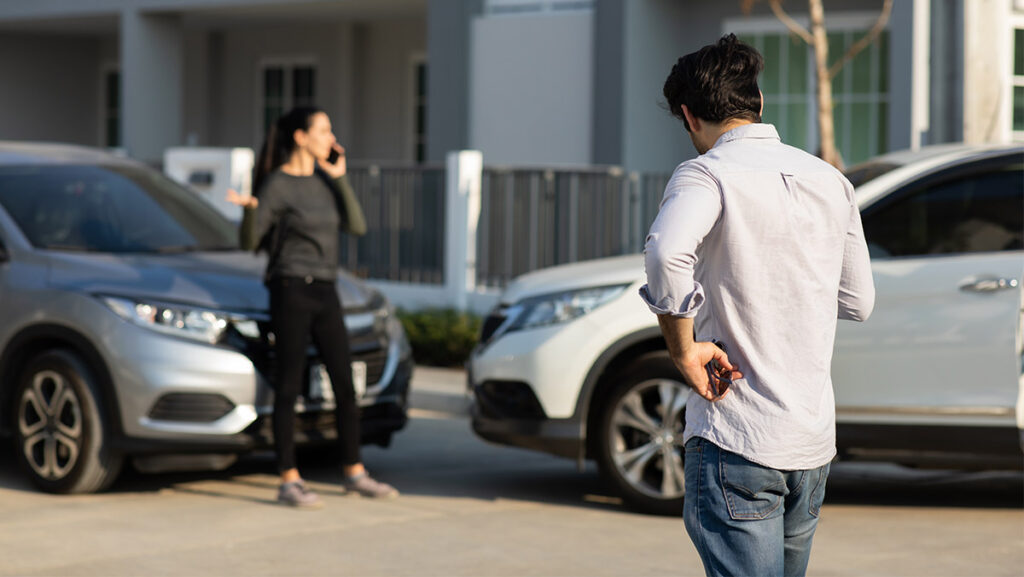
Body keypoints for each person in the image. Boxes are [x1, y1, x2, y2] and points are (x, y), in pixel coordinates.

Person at [640, 35, 874, 576]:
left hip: (736, 436)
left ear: (687, 114)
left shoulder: (706, 173)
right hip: (810, 445)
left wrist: (683, 350)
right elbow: (858, 301)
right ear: (759, 102)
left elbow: (667, 251)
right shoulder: (830, 180)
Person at [231, 106, 398, 507]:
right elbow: (248, 244)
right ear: (301, 137)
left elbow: (356, 226)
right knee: (289, 385)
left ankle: (354, 471)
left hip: (326, 289)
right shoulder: (278, 185)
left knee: (344, 383)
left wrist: (341, 180)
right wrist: (250, 212)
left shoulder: (326, 181)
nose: (331, 138)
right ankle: (289, 477)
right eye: (324, 130)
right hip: (290, 288)